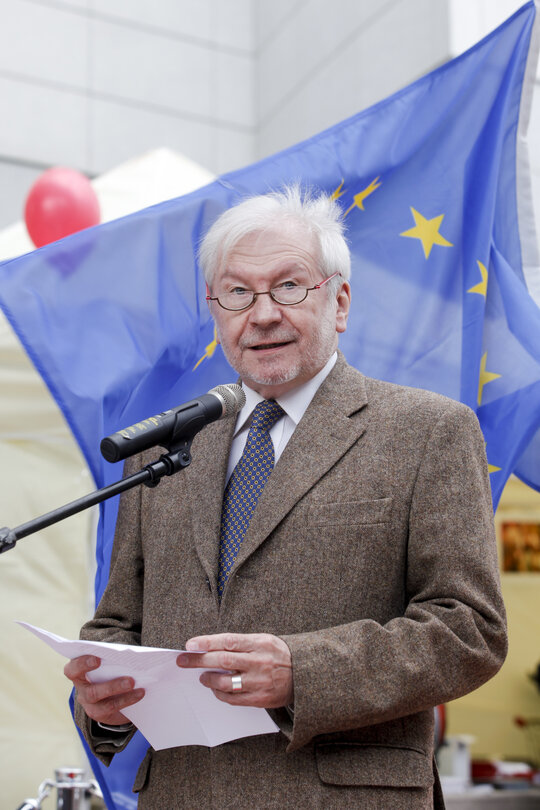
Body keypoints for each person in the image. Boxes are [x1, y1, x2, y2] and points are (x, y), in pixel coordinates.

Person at [65, 186, 507, 809]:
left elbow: (471, 631)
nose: (262, 313)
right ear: (217, 314)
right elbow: (117, 626)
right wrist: (104, 709)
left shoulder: (429, 432)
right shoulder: (163, 450)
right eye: (238, 294)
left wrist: (303, 670)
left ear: (340, 301)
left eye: (289, 287)